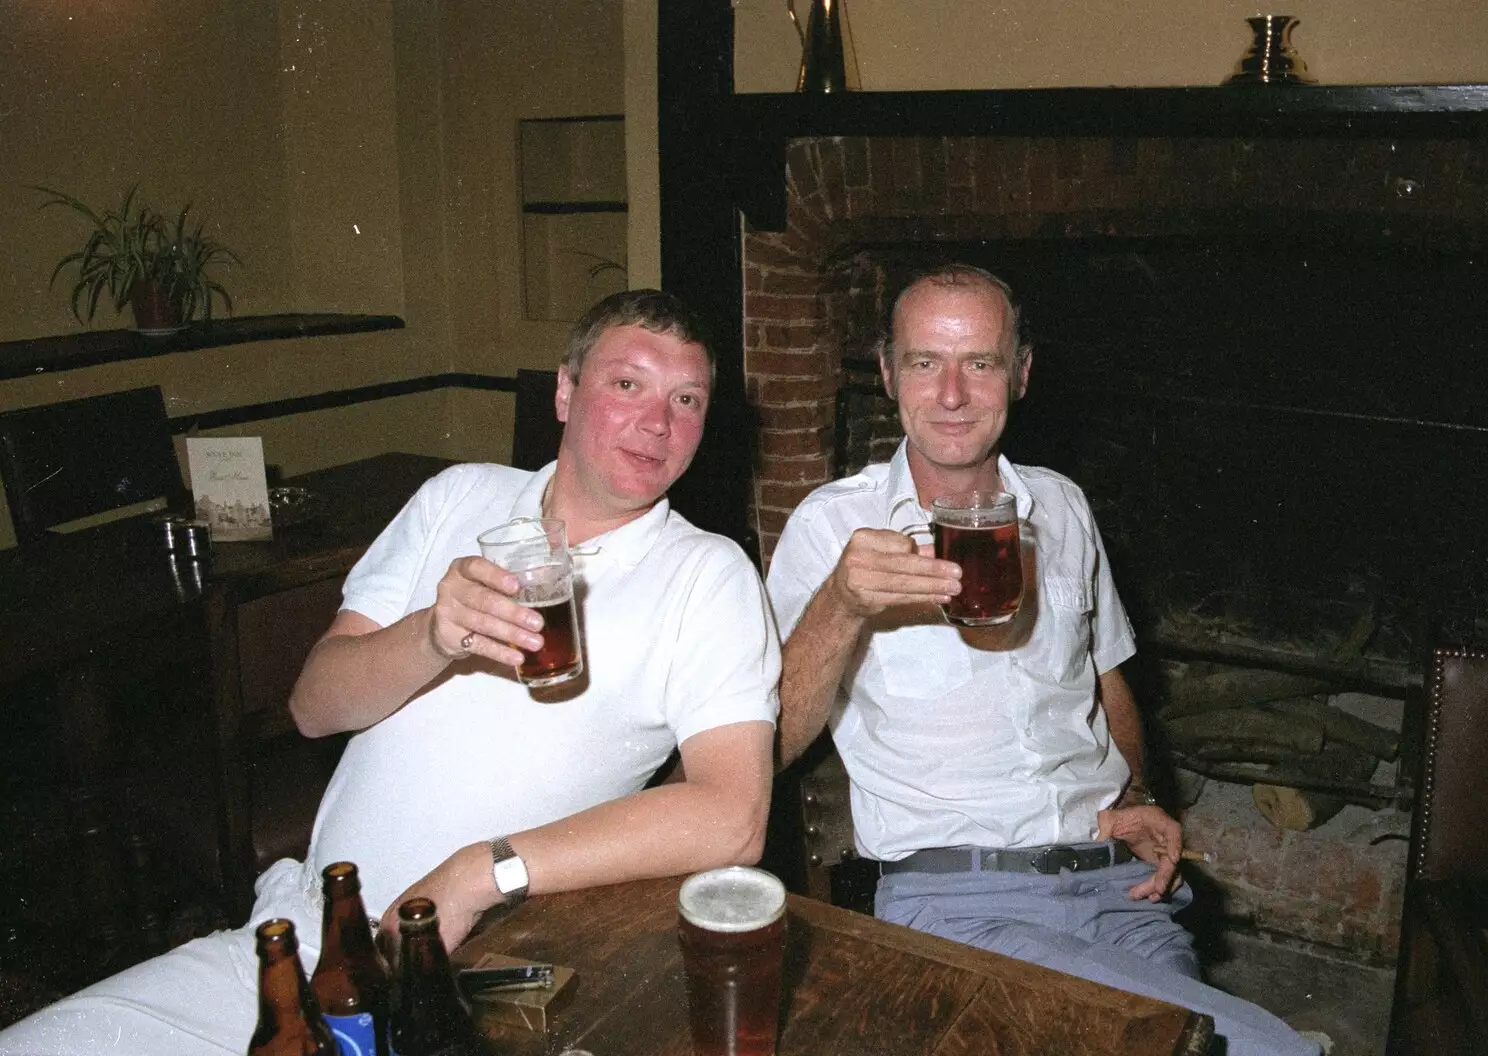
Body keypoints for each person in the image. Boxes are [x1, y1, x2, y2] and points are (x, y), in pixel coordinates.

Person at [1, 290, 781, 1056]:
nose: (657, 422)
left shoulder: (706, 577)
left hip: (474, 976)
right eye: (627, 384)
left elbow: (732, 816)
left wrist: (482, 871)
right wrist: (433, 638)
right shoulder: (456, 498)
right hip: (308, 935)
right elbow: (313, 707)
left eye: (687, 398)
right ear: (565, 390)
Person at [765, 265, 1320, 1056]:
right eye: (925, 362)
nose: (952, 393)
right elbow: (772, 744)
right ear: (889, 375)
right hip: (957, 900)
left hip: (1114, 884)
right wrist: (841, 606)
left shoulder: (1062, 507)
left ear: (1021, 374)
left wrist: (1134, 792)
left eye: (981, 363)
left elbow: (1103, 676)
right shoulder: (834, 527)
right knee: (1258, 1047)